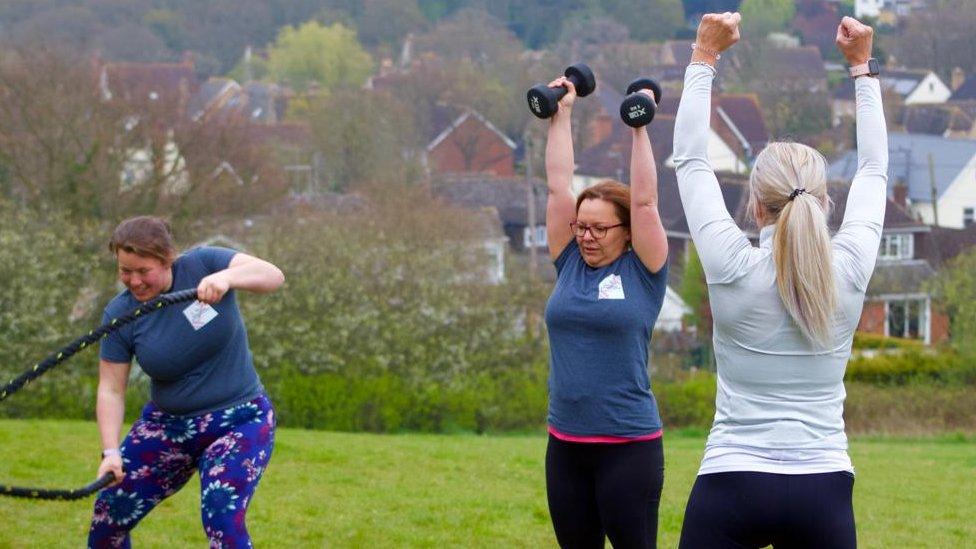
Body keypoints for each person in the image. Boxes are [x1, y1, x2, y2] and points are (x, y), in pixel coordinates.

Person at [673, 14, 887, 548]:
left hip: (731, 483)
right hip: (822, 490)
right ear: (824, 201)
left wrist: (704, 57)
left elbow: (691, 162)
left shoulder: (731, 264)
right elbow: (875, 170)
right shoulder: (850, 267)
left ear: (754, 204)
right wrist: (863, 68)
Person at [88, 216, 285, 548]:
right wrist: (110, 452)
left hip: (239, 419)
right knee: (109, 516)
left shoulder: (204, 263)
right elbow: (110, 388)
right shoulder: (120, 313)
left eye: (143, 271)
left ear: (167, 259)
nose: (134, 281)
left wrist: (225, 278)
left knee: (222, 516)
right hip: (169, 425)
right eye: (125, 271)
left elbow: (273, 276)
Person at [541, 73, 670, 548]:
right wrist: (562, 114)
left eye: (600, 229)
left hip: (628, 447)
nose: (587, 236)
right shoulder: (570, 261)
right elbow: (558, 189)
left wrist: (640, 127)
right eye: (582, 227)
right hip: (566, 444)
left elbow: (646, 201)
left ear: (627, 231)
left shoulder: (645, 268)